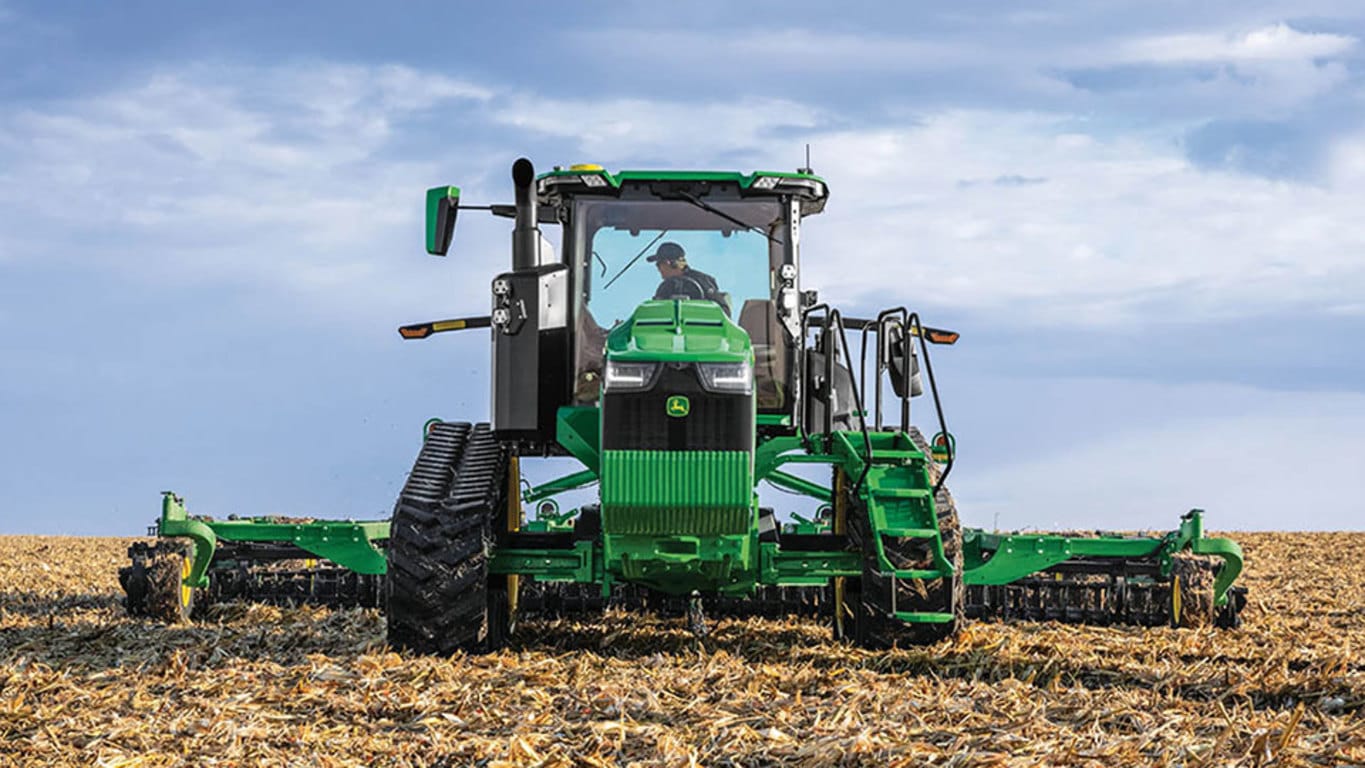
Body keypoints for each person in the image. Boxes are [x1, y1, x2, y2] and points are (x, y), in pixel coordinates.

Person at [647, 242, 731, 315]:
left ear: (670, 263)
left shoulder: (702, 281)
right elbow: (656, 310)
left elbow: (723, 310)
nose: (658, 268)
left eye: (658, 264)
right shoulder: (665, 288)